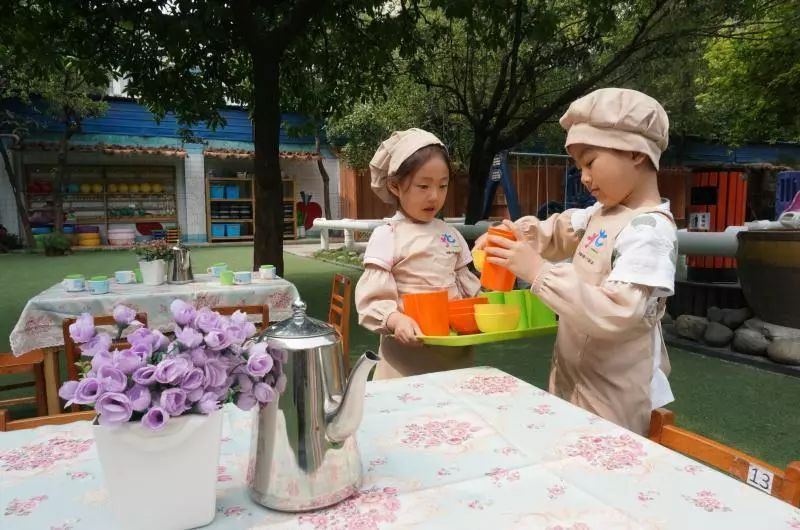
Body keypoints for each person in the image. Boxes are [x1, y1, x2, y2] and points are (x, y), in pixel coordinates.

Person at [480, 88, 678, 435]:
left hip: (612, 401)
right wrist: (514, 236)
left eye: (590, 162)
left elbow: (619, 312)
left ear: (635, 151)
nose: (584, 177)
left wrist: (539, 272)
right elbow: (556, 230)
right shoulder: (601, 214)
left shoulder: (649, 230)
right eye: (579, 166)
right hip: (574, 381)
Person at [355, 128, 481, 380]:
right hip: (405, 358)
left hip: (454, 354)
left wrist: (480, 311)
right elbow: (372, 300)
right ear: (394, 185)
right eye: (423, 186)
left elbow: (468, 290)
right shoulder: (388, 234)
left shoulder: (450, 234)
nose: (434, 196)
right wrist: (395, 320)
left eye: (443, 186)